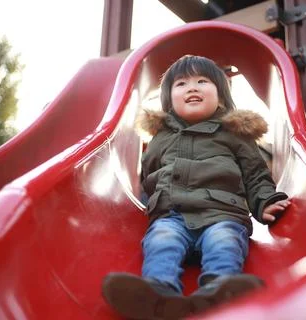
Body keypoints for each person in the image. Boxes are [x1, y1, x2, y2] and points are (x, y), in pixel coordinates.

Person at [102, 55, 290, 320]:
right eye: (181, 84)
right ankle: (158, 292)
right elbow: (149, 174)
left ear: (221, 96)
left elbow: (255, 174)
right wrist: (151, 205)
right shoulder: (161, 137)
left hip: (221, 215)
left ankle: (220, 290)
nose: (192, 87)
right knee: (161, 241)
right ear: (169, 100)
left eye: (202, 81)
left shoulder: (234, 133)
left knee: (224, 241)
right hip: (172, 216)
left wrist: (265, 202)